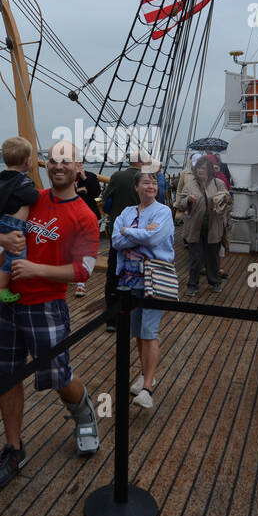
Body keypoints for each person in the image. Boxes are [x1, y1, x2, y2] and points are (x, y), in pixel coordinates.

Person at [0, 140, 101, 488]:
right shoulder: (31, 198)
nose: (58, 166)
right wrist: (3, 241)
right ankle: (13, 447)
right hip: (7, 303)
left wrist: (37, 271)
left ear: (77, 166)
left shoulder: (85, 216)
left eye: (66, 160)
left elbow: (83, 270)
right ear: (46, 165)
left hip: (46, 305)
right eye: (53, 160)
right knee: (8, 376)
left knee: (59, 376)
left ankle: (84, 415)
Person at [112, 169, 174, 409]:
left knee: (149, 331)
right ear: (136, 187)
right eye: (146, 182)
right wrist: (134, 234)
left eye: (154, 183)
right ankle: (146, 375)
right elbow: (116, 240)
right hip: (129, 280)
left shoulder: (163, 211)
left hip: (153, 277)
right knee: (137, 331)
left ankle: (147, 387)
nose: (151, 186)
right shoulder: (126, 213)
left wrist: (129, 232)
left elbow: (154, 238)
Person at [0, 136, 40, 303]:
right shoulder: (22, 182)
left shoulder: (1, 178)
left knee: (8, 250)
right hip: (15, 224)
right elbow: (33, 197)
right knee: (16, 257)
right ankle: (0, 288)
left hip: (3, 221)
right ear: (27, 161)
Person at [101, 154, 144, 329]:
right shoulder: (148, 179)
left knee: (113, 274)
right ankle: (133, 316)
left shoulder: (118, 177)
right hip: (140, 235)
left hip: (119, 235)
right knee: (137, 274)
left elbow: (105, 203)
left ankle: (112, 320)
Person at [182, 155, 231, 295]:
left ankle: (215, 282)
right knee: (195, 259)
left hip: (213, 228)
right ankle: (192, 285)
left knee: (213, 258)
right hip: (195, 228)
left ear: (209, 170)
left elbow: (227, 202)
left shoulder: (218, 184)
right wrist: (188, 201)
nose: (200, 171)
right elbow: (180, 203)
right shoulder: (190, 185)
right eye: (198, 168)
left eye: (203, 168)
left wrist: (224, 200)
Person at [73, 165, 103, 297]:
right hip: (72, 215)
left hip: (88, 216)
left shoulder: (90, 176)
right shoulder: (68, 177)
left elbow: (95, 192)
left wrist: (84, 178)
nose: (78, 167)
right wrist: (79, 189)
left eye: (80, 164)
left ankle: (81, 282)